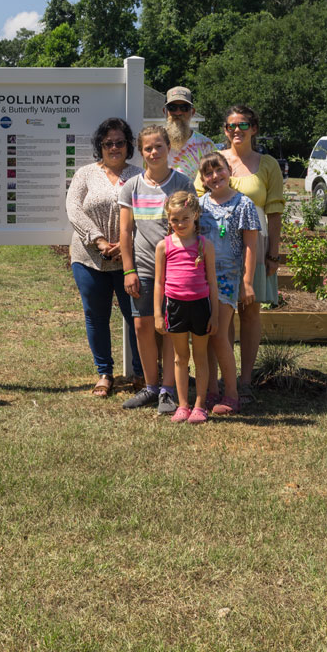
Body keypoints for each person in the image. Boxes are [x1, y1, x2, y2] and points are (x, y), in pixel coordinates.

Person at [196, 105, 285, 401]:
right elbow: (198, 203)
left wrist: (273, 253)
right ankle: (218, 380)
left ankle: (244, 379)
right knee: (218, 316)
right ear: (224, 130)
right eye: (232, 125)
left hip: (254, 246)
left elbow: (274, 212)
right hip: (218, 250)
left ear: (254, 128)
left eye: (244, 124)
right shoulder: (214, 163)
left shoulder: (267, 163)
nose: (238, 130)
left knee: (250, 310)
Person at [65, 117, 143, 397]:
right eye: (108, 143)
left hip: (128, 259)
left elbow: (146, 214)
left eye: (120, 142)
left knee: (135, 316)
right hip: (88, 257)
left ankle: (140, 372)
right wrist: (98, 240)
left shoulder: (138, 175)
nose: (114, 147)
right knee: (96, 316)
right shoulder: (85, 174)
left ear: (128, 145)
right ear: (100, 145)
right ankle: (104, 373)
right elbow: (73, 209)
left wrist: (124, 245)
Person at [118, 125, 193, 409]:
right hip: (144, 269)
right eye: (148, 148)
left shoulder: (182, 183)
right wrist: (129, 270)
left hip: (176, 271)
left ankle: (168, 389)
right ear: (141, 152)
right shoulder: (132, 186)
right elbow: (125, 232)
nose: (153, 152)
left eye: (158, 146)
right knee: (142, 327)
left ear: (168, 148)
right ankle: (150, 387)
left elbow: (191, 226)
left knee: (173, 329)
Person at [197, 152, 260, 414]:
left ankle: (231, 393)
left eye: (219, 170)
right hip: (201, 277)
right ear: (203, 179)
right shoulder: (198, 205)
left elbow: (250, 246)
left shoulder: (243, 204)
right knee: (206, 336)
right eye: (209, 173)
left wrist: (246, 281)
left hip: (227, 277)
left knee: (220, 334)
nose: (215, 176)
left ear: (229, 171)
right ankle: (211, 390)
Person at [153, 191, 218, 423]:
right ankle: (183, 405)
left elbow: (212, 283)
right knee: (180, 358)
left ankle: (200, 406)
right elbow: (159, 282)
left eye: (185, 218)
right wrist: (158, 314)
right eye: (174, 219)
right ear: (168, 219)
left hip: (201, 307)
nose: (180, 224)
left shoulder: (204, 245)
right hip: (176, 308)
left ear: (195, 215)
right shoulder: (164, 246)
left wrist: (215, 315)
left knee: (200, 357)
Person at [163, 86, 218, 181]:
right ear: (165, 111)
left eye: (184, 108)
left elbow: (216, 178)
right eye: (172, 108)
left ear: (192, 112)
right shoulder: (154, 143)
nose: (178, 112)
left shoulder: (206, 145)